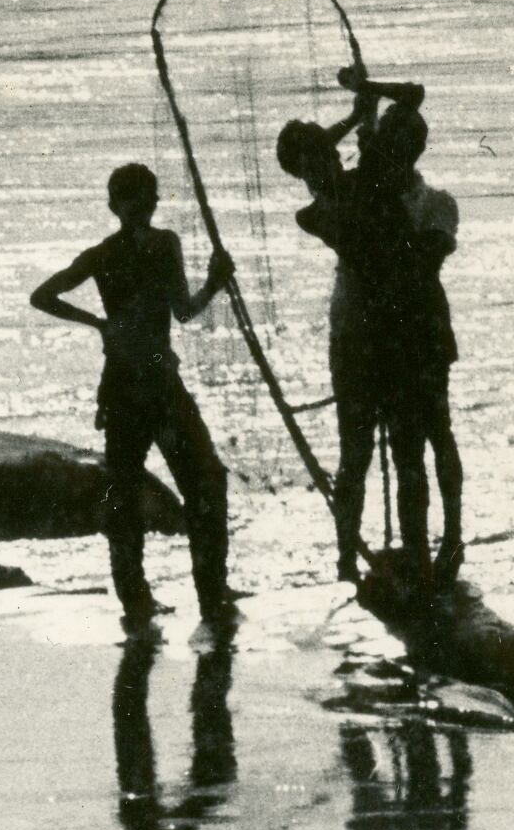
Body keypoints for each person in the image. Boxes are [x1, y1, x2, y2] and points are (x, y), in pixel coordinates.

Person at [277, 65, 461, 584]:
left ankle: (418, 552)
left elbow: (409, 101)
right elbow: (322, 167)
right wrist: (359, 113)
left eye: (329, 156)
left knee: (405, 450)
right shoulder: (322, 211)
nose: (325, 166)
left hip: (390, 336)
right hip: (361, 339)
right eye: (312, 166)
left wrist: (363, 104)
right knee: (358, 454)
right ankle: (347, 562)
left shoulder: (360, 185)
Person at [31, 163, 236, 626]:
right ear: (132, 204)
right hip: (156, 386)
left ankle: (138, 596)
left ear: (113, 207)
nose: (150, 205)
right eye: (145, 198)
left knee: (127, 490)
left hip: (124, 386)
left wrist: (102, 324)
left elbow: (42, 296)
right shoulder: (164, 245)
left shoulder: (101, 255)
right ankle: (209, 591)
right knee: (202, 482)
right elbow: (184, 311)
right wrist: (215, 283)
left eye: (149, 197)